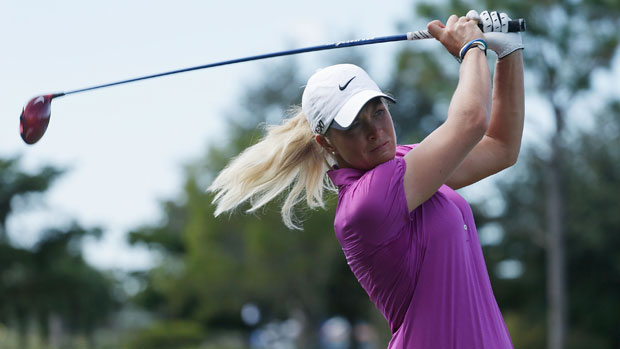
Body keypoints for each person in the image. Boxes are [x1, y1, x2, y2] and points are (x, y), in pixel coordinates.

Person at [209, 9, 524, 348]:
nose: (375, 131)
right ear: (326, 142)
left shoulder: (405, 162)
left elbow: (500, 147)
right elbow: (471, 121)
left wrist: (508, 51)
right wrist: (471, 48)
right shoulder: (366, 203)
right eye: (354, 124)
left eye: (378, 111)